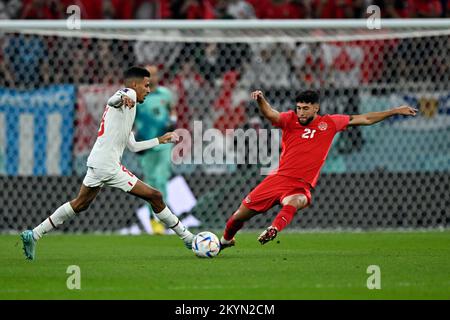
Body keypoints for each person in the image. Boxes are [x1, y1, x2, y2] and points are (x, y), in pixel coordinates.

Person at [20, 66, 195, 260]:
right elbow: (113, 99)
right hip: (108, 166)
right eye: (146, 85)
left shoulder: (132, 107)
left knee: (80, 204)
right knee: (155, 196)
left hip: (98, 161)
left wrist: (159, 140)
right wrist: (122, 98)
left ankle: (33, 234)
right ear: (135, 85)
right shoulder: (127, 95)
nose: (149, 89)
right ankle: (188, 238)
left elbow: (134, 146)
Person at [220, 89, 417, 250]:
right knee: (239, 216)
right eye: (299, 108)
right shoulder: (289, 120)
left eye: (305, 108)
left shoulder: (330, 122)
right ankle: (225, 241)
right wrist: (261, 100)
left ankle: (274, 228)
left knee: (295, 201)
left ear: (316, 108)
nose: (301, 112)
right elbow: (270, 113)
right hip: (278, 179)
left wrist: (394, 111)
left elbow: (365, 118)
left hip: (301, 185)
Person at [134, 65, 177, 235]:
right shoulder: (138, 96)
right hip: (146, 143)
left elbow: (172, 110)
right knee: (150, 181)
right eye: (148, 75)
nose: (151, 78)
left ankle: (162, 218)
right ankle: (154, 219)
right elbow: (131, 120)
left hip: (164, 142)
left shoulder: (165, 94)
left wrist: (173, 120)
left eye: (154, 74)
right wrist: (132, 140)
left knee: (161, 178)